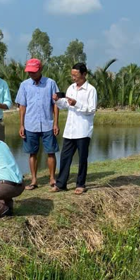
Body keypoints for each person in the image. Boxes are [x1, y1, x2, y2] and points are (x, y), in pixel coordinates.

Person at [16, 58, 59, 190]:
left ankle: (52, 178)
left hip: (48, 123)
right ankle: (34, 180)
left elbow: (56, 105)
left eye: (34, 72)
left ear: (40, 69)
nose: (31, 74)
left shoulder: (50, 83)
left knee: (51, 152)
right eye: (29, 72)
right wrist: (21, 125)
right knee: (32, 153)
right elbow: (22, 106)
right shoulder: (24, 85)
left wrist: (56, 123)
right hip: (30, 124)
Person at [55, 63, 98, 194]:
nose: (73, 78)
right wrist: (57, 100)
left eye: (76, 75)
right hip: (70, 129)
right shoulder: (71, 88)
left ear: (84, 74)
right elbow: (65, 105)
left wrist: (77, 104)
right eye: (72, 75)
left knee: (82, 159)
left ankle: (80, 184)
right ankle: (61, 184)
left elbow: (91, 109)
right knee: (64, 157)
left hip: (83, 130)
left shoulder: (91, 90)